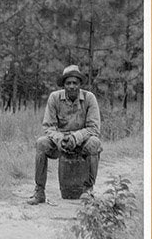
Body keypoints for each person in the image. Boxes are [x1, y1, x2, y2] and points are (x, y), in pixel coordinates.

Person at [27, 65, 102, 205]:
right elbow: (48, 126)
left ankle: (88, 191)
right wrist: (60, 139)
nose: (72, 86)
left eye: (75, 83)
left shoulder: (89, 98)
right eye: (68, 83)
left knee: (94, 143)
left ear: (80, 84)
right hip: (60, 143)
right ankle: (39, 191)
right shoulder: (54, 98)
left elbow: (93, 128)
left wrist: (76, 138)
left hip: (82, 142)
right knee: (41, 143)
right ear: (63, 84)